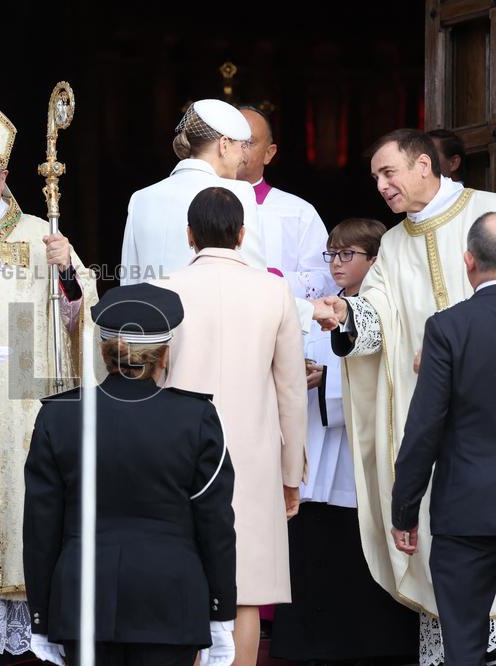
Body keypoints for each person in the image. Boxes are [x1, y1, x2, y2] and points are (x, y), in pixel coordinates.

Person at [316, 128, 496, 662]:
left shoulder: (487, 214)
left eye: (388, 172)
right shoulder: (392, 245)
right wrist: (348, 315)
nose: (382, 186)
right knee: (449, 550)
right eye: (375, 178)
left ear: (423, 165)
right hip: (435, 422)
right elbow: (374, 323)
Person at [0, 85, 99, 666]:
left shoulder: (41, 235)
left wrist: (67, 277)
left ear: (5, 175)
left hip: (23, 405)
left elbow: (80, 320)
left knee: (23, 516)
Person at [23, 282, 237, 666]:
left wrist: (41, 615)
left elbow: (41, 526)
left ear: (105, 354)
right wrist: (221, 612)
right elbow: (215, 523)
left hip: (81, 599)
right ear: (164, 355)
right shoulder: (197, 417)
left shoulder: (59, 414)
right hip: (171, 599)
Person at [160, 186, 307, 665]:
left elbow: (154, 381)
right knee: (245, 587)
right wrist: (291, 474)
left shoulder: (166, 287)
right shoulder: (273, 289)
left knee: (188, 580)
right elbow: (290, 391)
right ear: (243, 234)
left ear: (189, 235)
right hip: (254, 457)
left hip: (180, 453)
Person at [270, 218, 418, 661]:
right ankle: (313, 645)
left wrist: (326, 375)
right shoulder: (318, 310)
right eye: (331, 254)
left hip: (362, 453)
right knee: (316, 553)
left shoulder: (389, 311)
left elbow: (387, 374)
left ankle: (374, 645)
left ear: (375, 260)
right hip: (319, 449)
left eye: (347, 254)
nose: (335, 263)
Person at [390, 212, 496, 664]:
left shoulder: (449, 327)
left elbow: (424, 430)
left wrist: (404, 511)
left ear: (468, 261)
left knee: (465, 649)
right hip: (466, 513)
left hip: (465, 512)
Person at [120, 98, 266, 284]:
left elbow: (129, 280)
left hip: (152, 312)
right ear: (224, 145)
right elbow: (255, 277)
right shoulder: (236, 193)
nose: (244, 158)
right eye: (242, 146)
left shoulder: (140, 198)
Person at [237, 106, 334, 299]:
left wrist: (272, 277)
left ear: (269, 153)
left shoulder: (298, 212)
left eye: (247, 142)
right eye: (229, 140)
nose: (237, 150)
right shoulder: (192, 202)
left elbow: (325, 279)